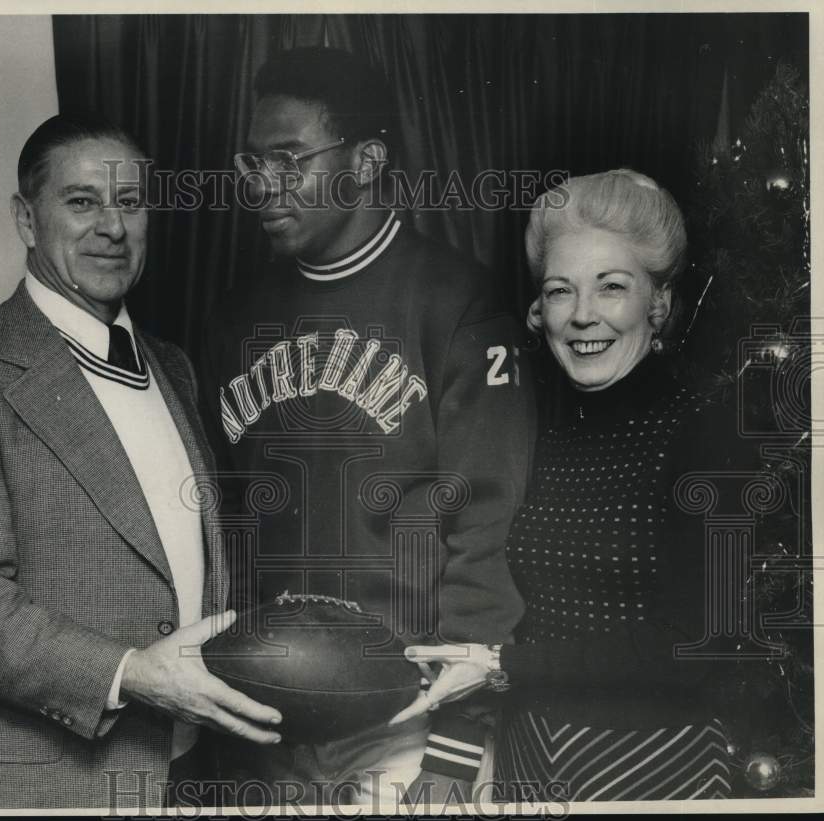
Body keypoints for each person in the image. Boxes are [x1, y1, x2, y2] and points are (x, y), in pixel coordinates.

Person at [0, 113, 282, 810]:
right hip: (30, 787)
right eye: (82, 201)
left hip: (181, 774)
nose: (113, 227)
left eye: (130, 203)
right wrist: (133, 673)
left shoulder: (174, 368)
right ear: (26, 220)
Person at [200, 47, 535, 807]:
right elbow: (225, 529)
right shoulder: (233, 316)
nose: (263, 185)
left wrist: (453, 752)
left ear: (368, 159)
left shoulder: (456, 302)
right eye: (252, 162)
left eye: (290, 158)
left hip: (408, 726)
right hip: (264, 726)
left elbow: (486, 537)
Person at [395, 169, 746, 802]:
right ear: (539, 309)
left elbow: (707, 643)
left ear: (657, 302)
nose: (583, 315)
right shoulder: (534, 422)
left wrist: (501, 666)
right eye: (561, 291)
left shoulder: (709, 435)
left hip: (658, 766)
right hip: (528, 757)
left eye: (612, 287)